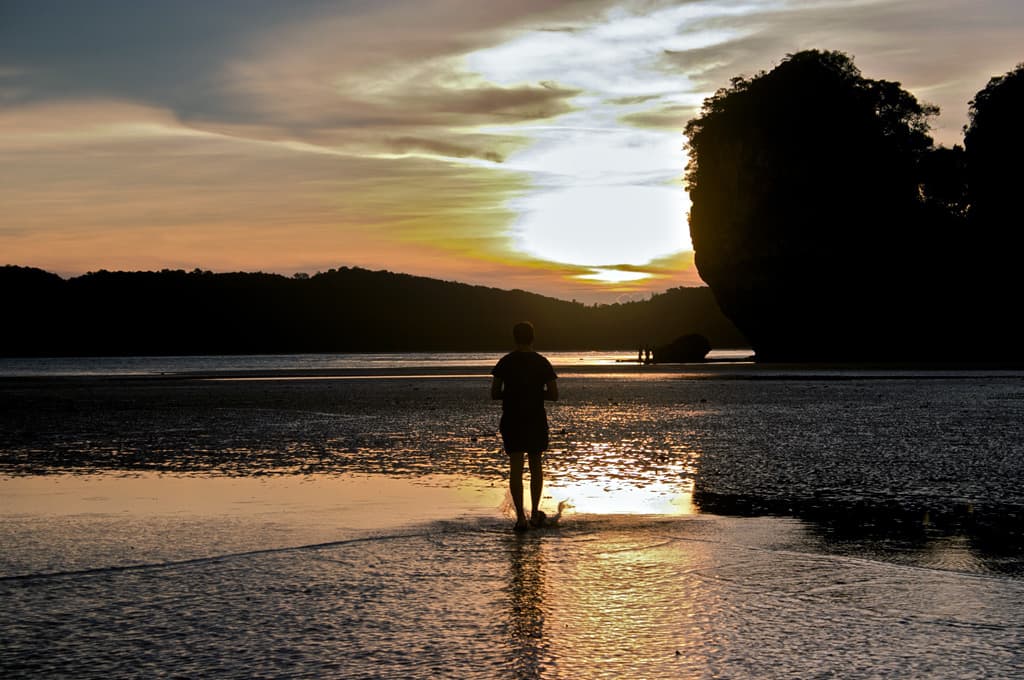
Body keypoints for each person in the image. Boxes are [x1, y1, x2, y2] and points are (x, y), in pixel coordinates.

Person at [491, 321, 558, 532]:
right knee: (536, 466)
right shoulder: (542, 362)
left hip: (512, 419)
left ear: (514, 338)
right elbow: (554, 394)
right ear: (533, 338)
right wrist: (535, 394)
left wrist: (513, 394)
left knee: (516, 467)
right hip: (536, 418)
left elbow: (494, 393)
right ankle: (535, 513)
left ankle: (520, 517)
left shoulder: (505, 362)